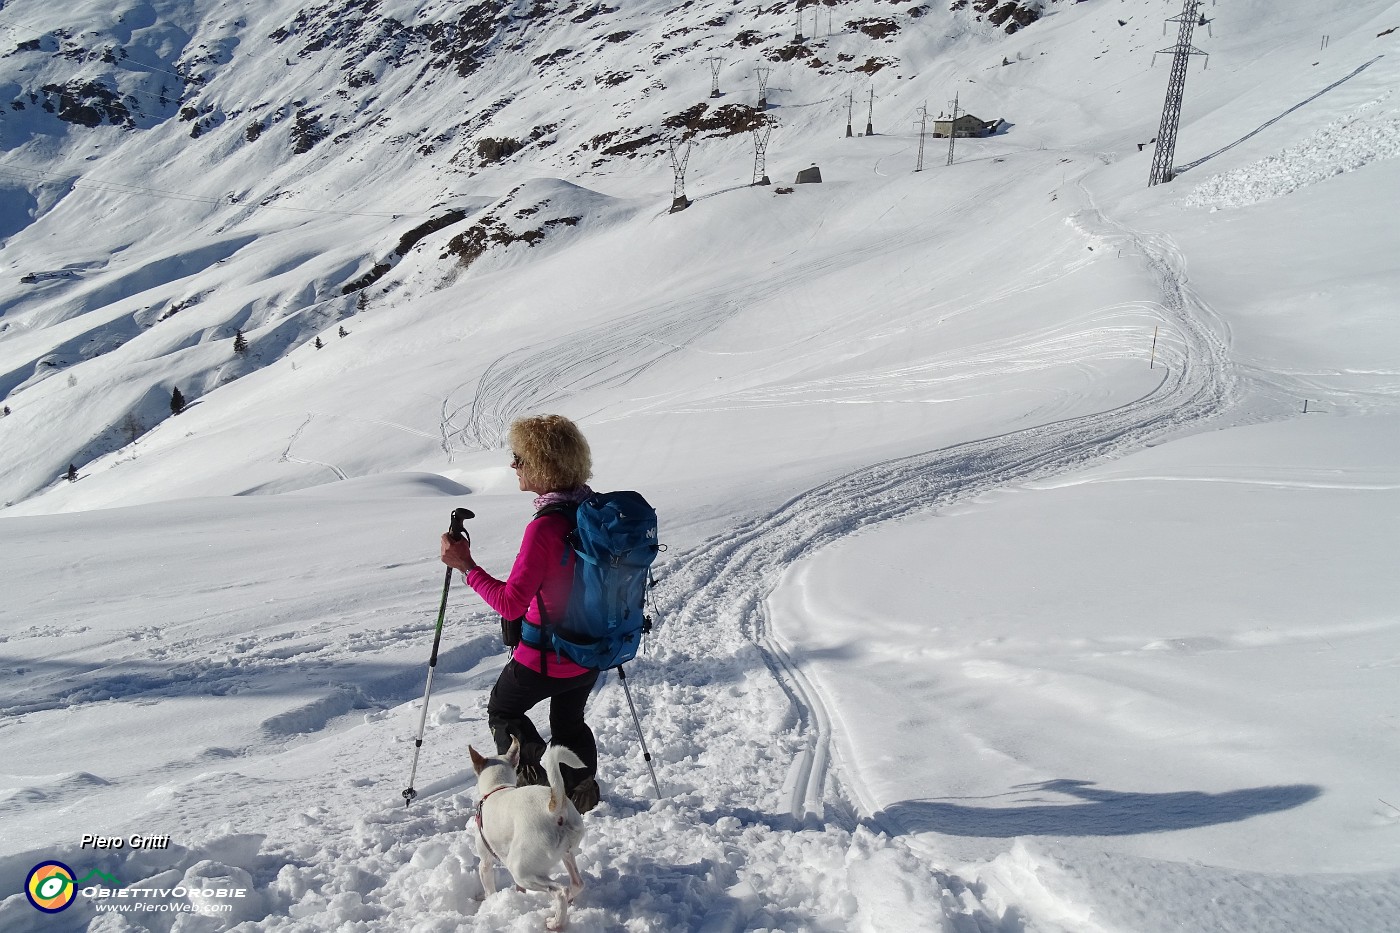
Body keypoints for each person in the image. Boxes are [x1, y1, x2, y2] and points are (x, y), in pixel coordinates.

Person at [440, 414, 601, 812]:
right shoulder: (595, 513)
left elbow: (511, 603)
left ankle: (542, 786)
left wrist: (467, 567)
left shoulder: (545, 528)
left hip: (546, 654)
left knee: (504, 710)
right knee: (569, 719)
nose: (513, 466)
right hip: (593, 649)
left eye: (520, 458)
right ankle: (580, 788)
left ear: (543, 464)